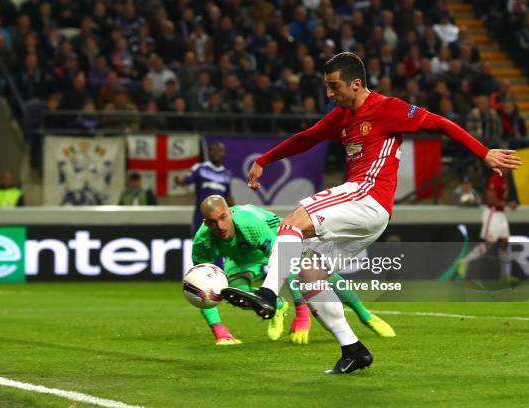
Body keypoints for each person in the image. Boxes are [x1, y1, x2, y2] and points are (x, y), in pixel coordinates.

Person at [221, 52, 521, 374]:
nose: (329, 94)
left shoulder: (388, 108)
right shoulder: (340, 116)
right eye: (327, 87)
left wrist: (483, 153)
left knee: (293, 223)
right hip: (368, 214)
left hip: (368, 195)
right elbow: (307, 138)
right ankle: (353, 349)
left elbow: (440, 123)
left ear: (356, 83)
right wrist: (265, 159)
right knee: (309, 275)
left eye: (334, 87)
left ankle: (267, 293)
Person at [192, 195, 393, 346]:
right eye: (212, 222)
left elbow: (284, 263)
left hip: (276, 239)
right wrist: (219, 331)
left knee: (316, 274)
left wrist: (302, 314)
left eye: (223, 217)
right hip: (241, 258)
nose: (219, 226)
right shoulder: (202, 242)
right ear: (204, 223)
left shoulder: (248, 223)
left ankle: (365, 316)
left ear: (230, 213)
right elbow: (201, 290)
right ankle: (277, 306)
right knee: (235, 293)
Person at [457, 170, 518, 281]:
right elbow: (491, 200)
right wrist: (508, 204)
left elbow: (501, 198)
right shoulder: (494, 180)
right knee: (489, 243)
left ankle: (505, 274)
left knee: (505, 243)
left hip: (500, 214)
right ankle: (464, 262)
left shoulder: (504, 180)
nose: (508, 169)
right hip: (493, 214)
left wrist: (508, 203)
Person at [174, 142, 234, 234]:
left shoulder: (227, 174)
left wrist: (234, 212)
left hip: (219, 222)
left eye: (219, 151)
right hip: (201, 219)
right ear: (209, 153)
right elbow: (186, 180)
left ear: (224, 153)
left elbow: (227, 197)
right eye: (213, 151)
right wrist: (179, 181)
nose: (217, 153)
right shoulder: (200, 168)